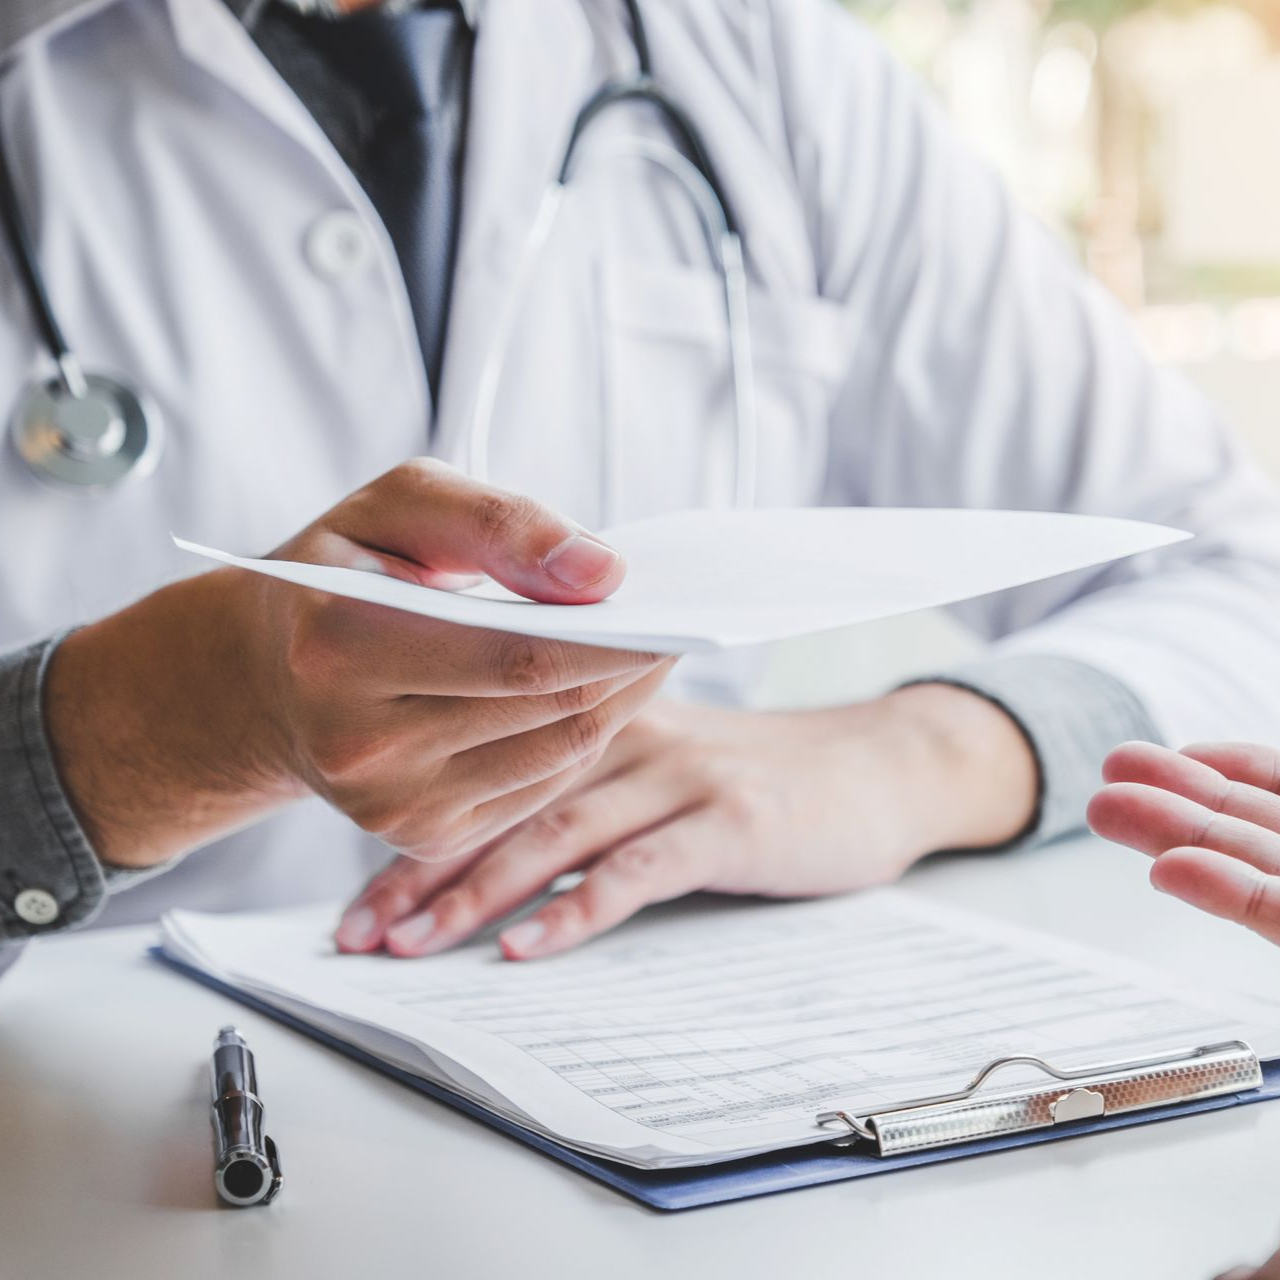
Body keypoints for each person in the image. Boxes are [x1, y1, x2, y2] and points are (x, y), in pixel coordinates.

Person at [3, 0, 1280, 975]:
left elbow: (1234, 569)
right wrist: (152, 731)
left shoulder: (758, 61)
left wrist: (916, 754)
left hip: (655, 1107)